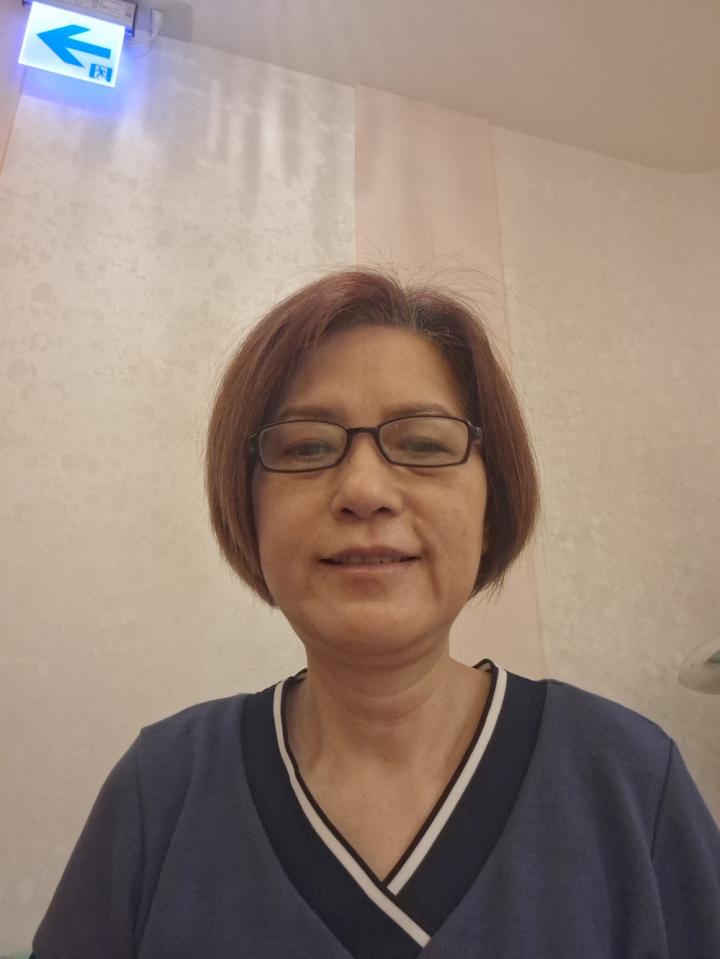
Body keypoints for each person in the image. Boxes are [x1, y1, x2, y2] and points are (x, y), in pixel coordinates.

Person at [32, 268, 720, 958]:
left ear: (493, 503)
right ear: (248, 506)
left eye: (423, 444)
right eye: (306, 446)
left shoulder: (630, 780)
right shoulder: (162, 788)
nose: (364, 489)